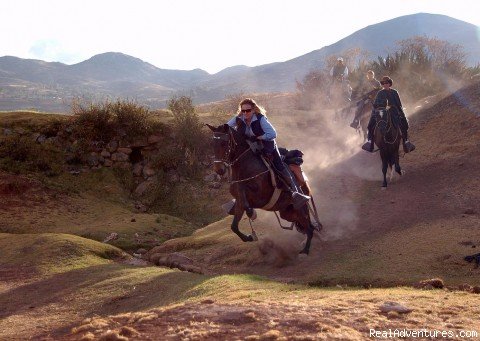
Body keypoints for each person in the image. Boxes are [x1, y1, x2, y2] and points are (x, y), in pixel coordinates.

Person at [227, 98, 310, 208]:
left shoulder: (261, 119)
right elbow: (227, 127)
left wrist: (260, 137)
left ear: (253, 110)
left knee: (279, 166)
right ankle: (239, 199)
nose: (245, 113)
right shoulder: (239, 118)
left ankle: (296, 193)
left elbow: (272, 134)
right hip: (252, 148)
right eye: (243, 111)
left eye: (248, 110)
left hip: (267, 147)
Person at [361, 76, 416, 153]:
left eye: (386, 83)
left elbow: (399, 104)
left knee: (404, 123)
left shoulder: (395, 92)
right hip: (382, 112)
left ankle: (406, 142)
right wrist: (382, 107)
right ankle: (370, 142)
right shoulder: (380, 93)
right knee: (370, 125)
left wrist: (395, 108)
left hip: (393, 111)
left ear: (389, 83)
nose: (385, 84)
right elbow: (377, 103)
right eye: (383, 83)